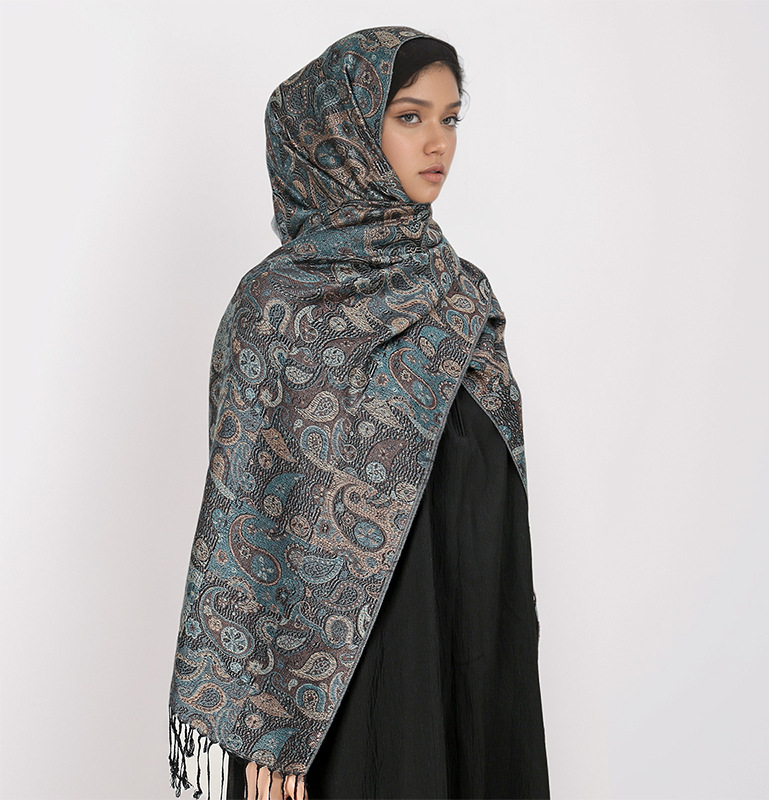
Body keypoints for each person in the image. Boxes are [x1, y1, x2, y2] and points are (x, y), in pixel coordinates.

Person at [169, 26, 548, 800]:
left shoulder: (464, 297)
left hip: (465, 653)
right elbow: (249, 525)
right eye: (409, 116)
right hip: (335, 704)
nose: (437, 142)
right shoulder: (275, 309)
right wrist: (268, 725)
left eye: (450, 118)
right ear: (341, 132)